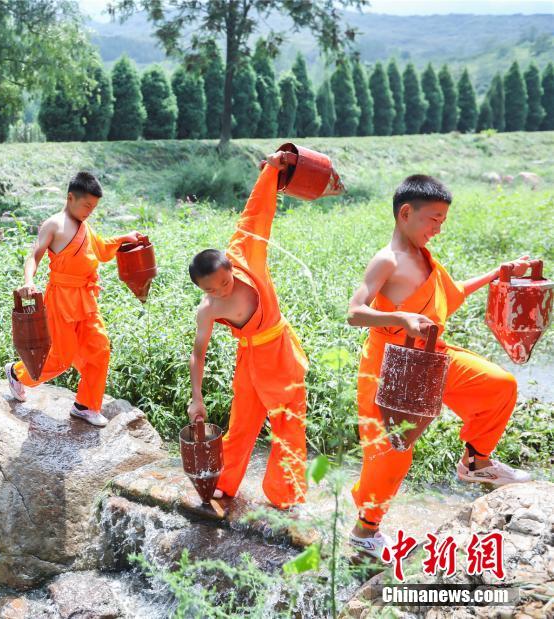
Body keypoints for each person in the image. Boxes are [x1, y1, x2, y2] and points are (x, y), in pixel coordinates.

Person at [346, 174, 532, 559]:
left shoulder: (424, 257)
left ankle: (476, 462)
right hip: (391, 366)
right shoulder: (388, 259)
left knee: (498, 385)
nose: (438, 228)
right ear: (405, 213)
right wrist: (402, 318)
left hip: (431, 356)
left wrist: (496, 275)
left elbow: (453, 293)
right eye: (433, 219)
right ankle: (365, 531)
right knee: (393, 450)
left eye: (442, 221)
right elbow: (355, 312)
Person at [186, 151, 309, 509]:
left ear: (230, 267)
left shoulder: (244, 256)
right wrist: (197, 397)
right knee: (241, 425)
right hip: (251, 360)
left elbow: (255, 214)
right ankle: (225, 483)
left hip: (281, 354)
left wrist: (272, 169)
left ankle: (284, 495)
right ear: (201, 290)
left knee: (288, 425)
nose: (222, 290)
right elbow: (198, 354)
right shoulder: (206, 310)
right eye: (212, 289)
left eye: (225, 282)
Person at [5, 171, 141, 427]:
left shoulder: (85, 226)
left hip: (86, 300)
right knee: (61, 358)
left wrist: (125, 238)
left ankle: (85, 406)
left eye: (94, 206)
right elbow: (34, 255)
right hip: (60, 299)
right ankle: (17, 373)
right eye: (87, 205)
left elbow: (101, 249)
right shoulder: (54, 225)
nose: (90, 210)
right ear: (70, 197)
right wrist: (28, 281)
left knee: (100, 349)